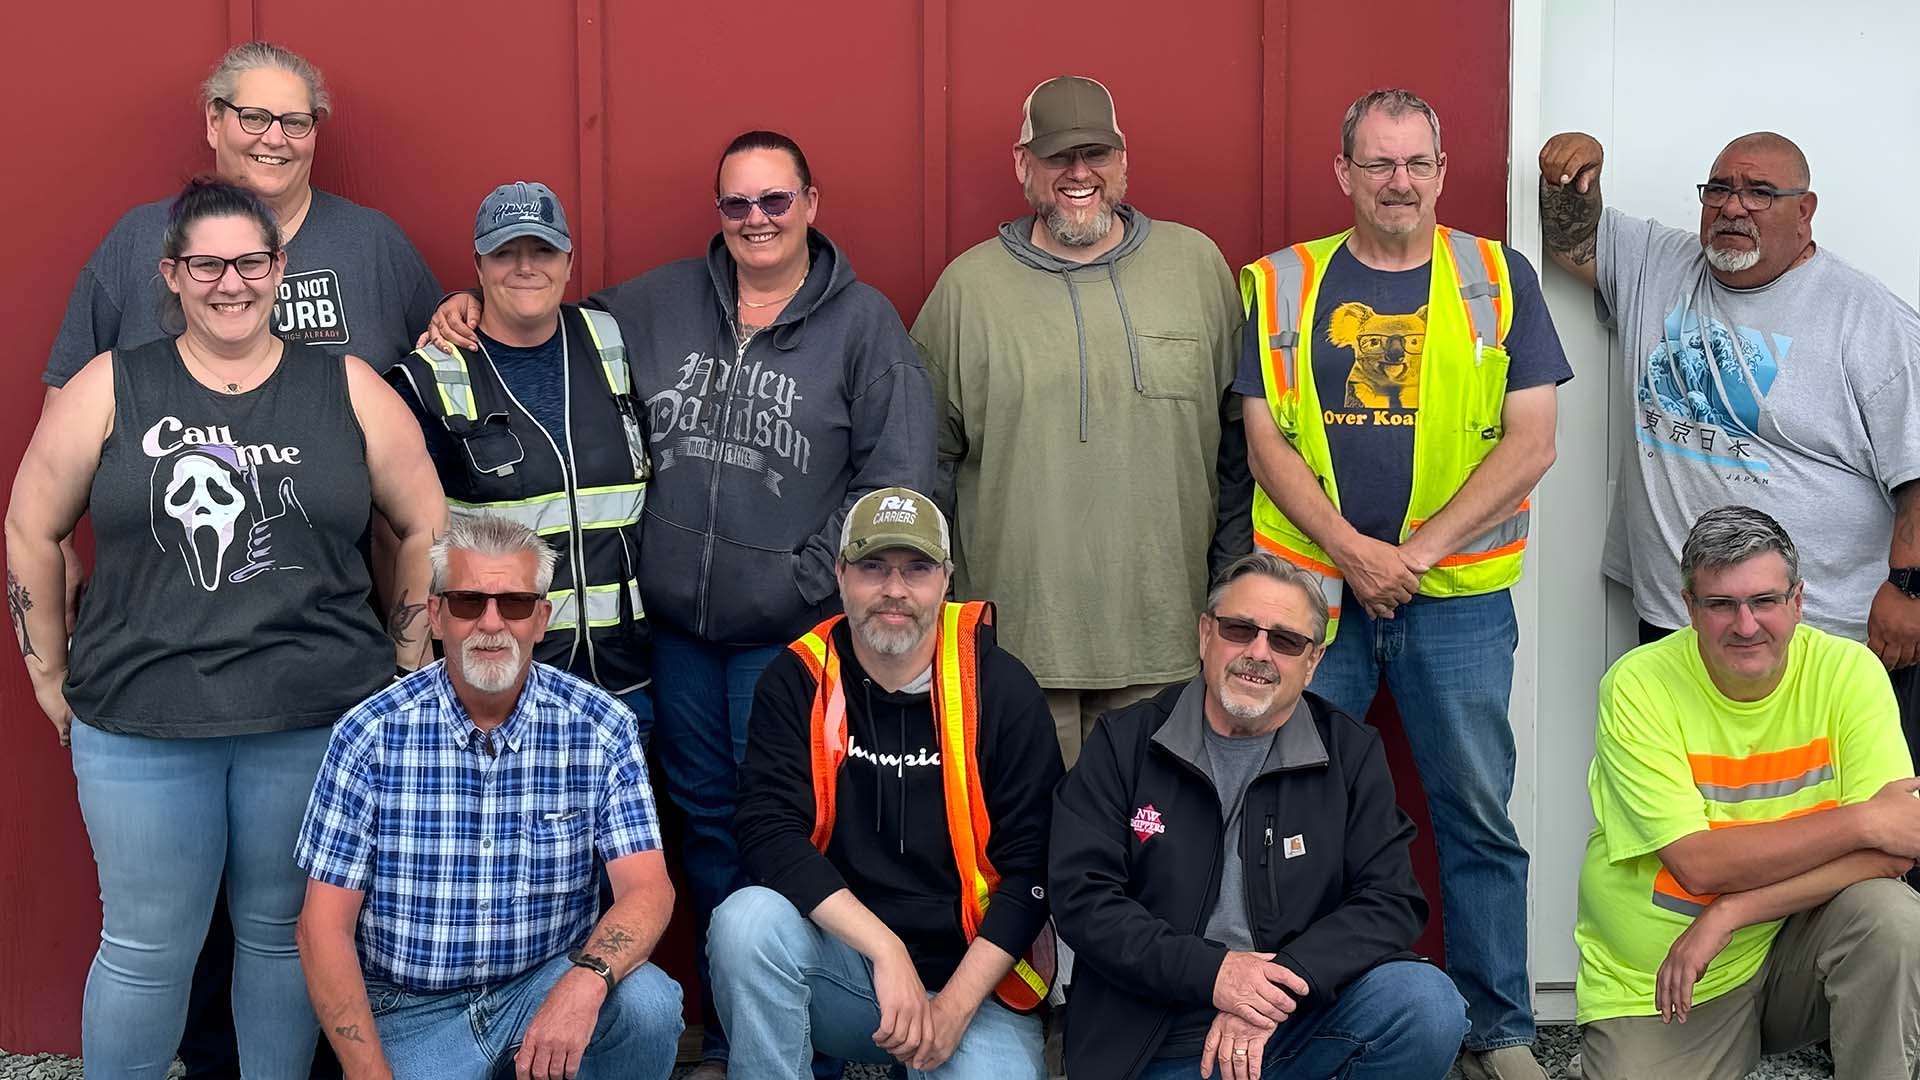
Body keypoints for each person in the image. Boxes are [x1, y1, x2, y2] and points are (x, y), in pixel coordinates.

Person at [423, 130, 934, 1078]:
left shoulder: (864, 325)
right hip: (675, 638)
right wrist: (467, 305)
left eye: (775, 202)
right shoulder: (651, 306)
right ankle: (736, 1035)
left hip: (788, 638)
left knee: (785, 826)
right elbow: (540, 318)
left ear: (812, 204)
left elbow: (894, 481)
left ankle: (789, 1040)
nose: (757, 222)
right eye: (737, 205)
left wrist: (800, 580)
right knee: (700, 825)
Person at [44, 43, 442, 1076]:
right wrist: (51, 671)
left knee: (282, 934)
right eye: (208, 267)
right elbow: (35, 512)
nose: (232, 283)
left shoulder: (358, 327)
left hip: (310, 701)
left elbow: (423, 507)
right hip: (146, 702)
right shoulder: (116, 349)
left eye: (253, 265)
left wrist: (403, 665)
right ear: (169, 276)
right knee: (147, 948)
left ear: (281, 273)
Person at [1235, 87, 1569, 1080]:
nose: (1398, 183)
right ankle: (1297, 1015)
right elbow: (1265, 446)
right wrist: (1352, 553)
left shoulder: (1497, 279)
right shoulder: (1280, 284)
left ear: (1441, 169)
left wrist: (1410, 558)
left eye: (1416, 164)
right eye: (1378, 164)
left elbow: (1534, 442)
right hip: (1309, 607)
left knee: (1476, 813)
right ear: (1344, 173)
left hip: (1456, 601)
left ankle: (1499, 1028)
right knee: (1280, 811)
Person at [1537, 130, 1920, 755]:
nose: (1734, 207)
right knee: (1697, 814)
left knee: (1835, 821)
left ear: (1806, 210)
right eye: (1719, 189)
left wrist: (1910, 591)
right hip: (1679, 625)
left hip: (1818, 638)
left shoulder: (1868, 318)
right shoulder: (1659, 265)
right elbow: (1570, 240)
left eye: (1761, 193)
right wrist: (1572, 173)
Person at [911, 74, 1249, 771]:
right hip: (1018, 650)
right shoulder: (965, 293)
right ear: (1022, 165)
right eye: (1058, 156)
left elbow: (1241, 450)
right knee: (1033, 859)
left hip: (1168, 640)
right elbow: (924, 469)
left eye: (1095, 153)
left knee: (1156, 857)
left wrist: (1231, 588)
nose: (1078, 173)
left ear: (1124, 160)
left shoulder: (1197, 269)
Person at [294, 514, 684, 1080]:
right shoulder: (371, 734)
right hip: (410, 1011)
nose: (492, 623)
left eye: (516, 604)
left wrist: (584, 982)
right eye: (468, 602)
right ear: (435, 616)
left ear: (543, 618)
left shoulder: (600, 726)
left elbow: (647, 889)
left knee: (646, 1005)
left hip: (544, 985)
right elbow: (321, 928)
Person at [1049, 550, 1465, 1080]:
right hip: (1153, 1041)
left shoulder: (1350, 752)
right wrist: (1217, 975)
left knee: (1425, 1007)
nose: (1259, 653)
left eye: (1286, 640)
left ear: (1312, 661)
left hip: (1291, 1023)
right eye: (1240, 629)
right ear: (1205, 635)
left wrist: (1282, 983)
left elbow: (1391, 900)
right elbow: (1082, 899)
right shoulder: (1124, 742)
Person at [709, 485, 1062, 1077]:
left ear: (946, 580)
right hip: (852, 969)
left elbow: (1034, 868)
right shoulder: (797, 679)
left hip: (972, 986)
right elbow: (768, 833)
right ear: (841, 574)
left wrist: (949, 1010)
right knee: (745, 924)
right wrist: (884, 948)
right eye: (873, 566)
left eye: (916, 569)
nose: (894, 590)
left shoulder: (999, 687)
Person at [1574, 506, 1920, 1079]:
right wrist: (1861, 821)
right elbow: (1698, 866)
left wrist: (1735, 912)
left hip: (1795, 943)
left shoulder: (1849, 672)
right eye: (1720, 604)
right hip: (1667, 972)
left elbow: (1893, 851)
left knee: (1892, 921)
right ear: (1688, 607)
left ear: (1798, 600)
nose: (1745, 624)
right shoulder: (1637, 685)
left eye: (1764, 600)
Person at [389, 181, 652, 724]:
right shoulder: (432, 375)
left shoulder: (613, 340)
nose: (525, 267)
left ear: (569, 262)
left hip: (623, 683)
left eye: (542, 251)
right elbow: (396, 534)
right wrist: (409, 660)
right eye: (505, 252)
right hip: (496, 686)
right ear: (478, 267)